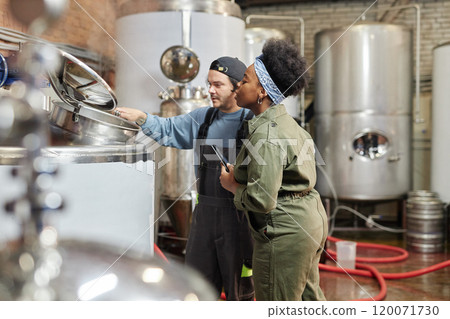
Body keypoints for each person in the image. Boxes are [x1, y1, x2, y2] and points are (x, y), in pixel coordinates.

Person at [115, 57, 254, 301]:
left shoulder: (253, 122)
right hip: (203, 219)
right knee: (197, 288)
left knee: (239, 292)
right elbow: (168, 129)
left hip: (239, 219)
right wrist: (141, 117)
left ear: (237, 87)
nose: (210, 90)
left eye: (218, 85)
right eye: (209, 83)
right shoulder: (204, 119)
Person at [219, 39, 328, 301]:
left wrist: (232, 185)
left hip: (285, 233)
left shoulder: (266, 135)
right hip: (310, 222)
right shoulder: (289, 125)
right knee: (308, 299)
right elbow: (284, 173)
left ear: (262, 92)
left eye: (244, 80)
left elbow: (262, 199)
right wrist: (245, 171)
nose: (237, 85)